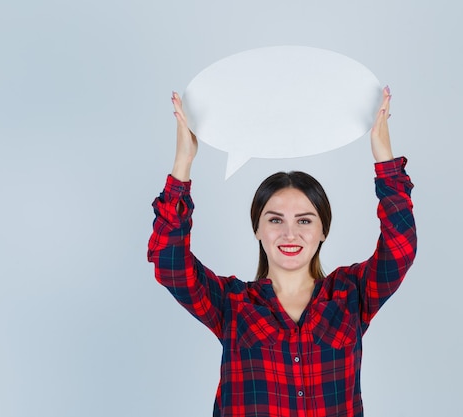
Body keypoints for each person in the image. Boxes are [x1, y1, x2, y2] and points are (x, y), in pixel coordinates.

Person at [147, 87, 417, 417]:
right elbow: (169, 262)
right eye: (275, 219)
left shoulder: (351, 295)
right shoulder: (231, 305)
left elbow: (400, 247)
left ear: (322, 231)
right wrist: (183, 162)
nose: (290, 233)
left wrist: (385, 160)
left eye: (305, 220)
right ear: (257, 229)